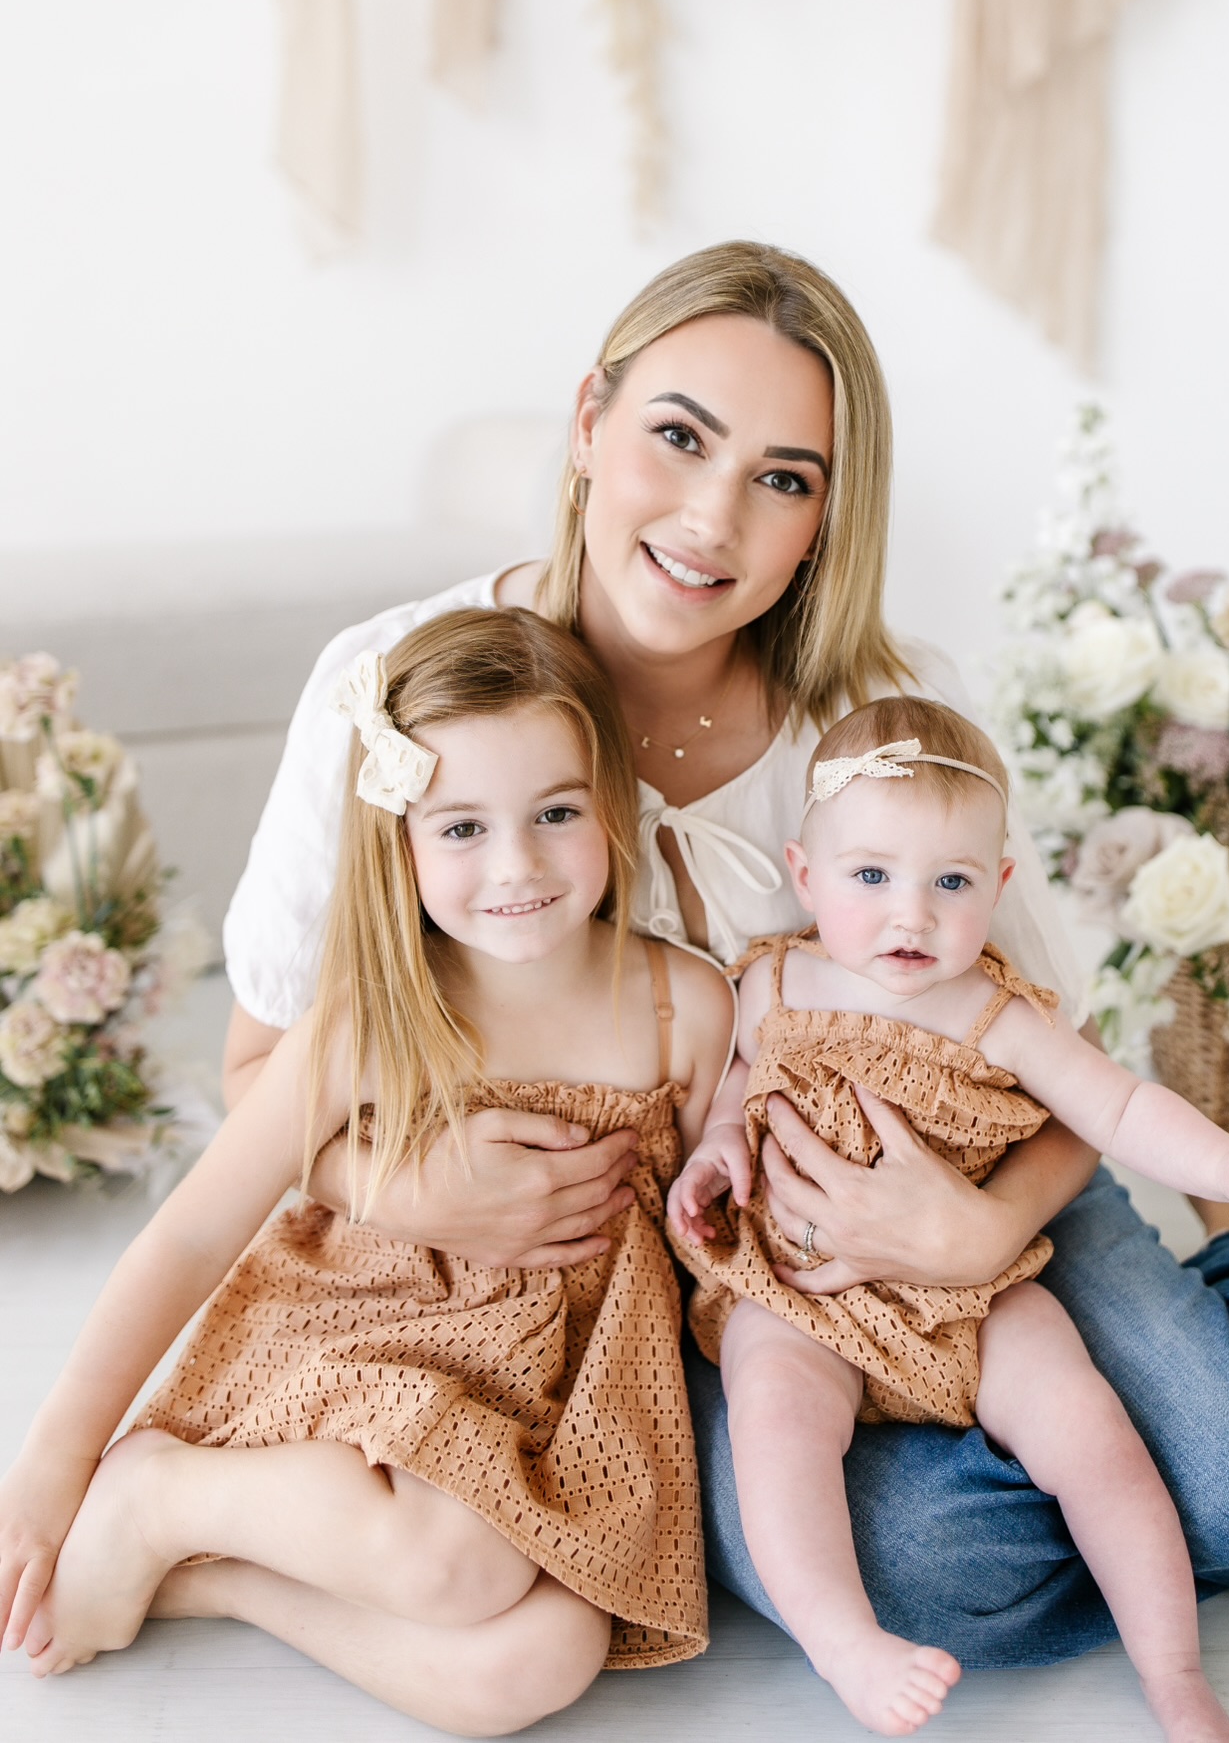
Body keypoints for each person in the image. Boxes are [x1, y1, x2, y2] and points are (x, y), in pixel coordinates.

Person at [213, 241, 1229, 1678]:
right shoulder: (406, 688)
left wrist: (980, 1231)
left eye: (782, 478)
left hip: (972, 1178)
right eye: (678, 437)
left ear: (823, 523)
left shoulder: (889, 719)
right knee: (914, 1569)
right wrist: (402, 1186)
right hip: (713, 1272)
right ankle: (1134, 1451)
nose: (711, 518)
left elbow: (1063, 1069)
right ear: (589, 421)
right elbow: (257, 1068)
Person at [0, 611, 735, 1732]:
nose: (518, 866)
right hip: (372, 1345)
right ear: (401, 840)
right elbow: (192, 1234)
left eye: (555, 812)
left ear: (612, 806)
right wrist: (54, 1464)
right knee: (461, 1564)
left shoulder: (685, 1007)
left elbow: (703, 1228)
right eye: (462, 827)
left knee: (540, 1661)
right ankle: (154, 1486)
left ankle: (216, 1576)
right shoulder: (373, 1019)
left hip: (554, 1395)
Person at [670, 697, 1229, 1740]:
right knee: (773, 1419)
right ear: (805, 875)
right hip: (801, 1294)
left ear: (999, 883)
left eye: (950, 883)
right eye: (870, 877)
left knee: (1091, 1432)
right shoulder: (770, 985)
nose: (911, 916)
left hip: (975, 1291)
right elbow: (730, 1089)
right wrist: (718, 1149)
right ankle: (846, 1642)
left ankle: (1173, 1671)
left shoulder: (1000, 1015)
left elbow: (1119, 1108)